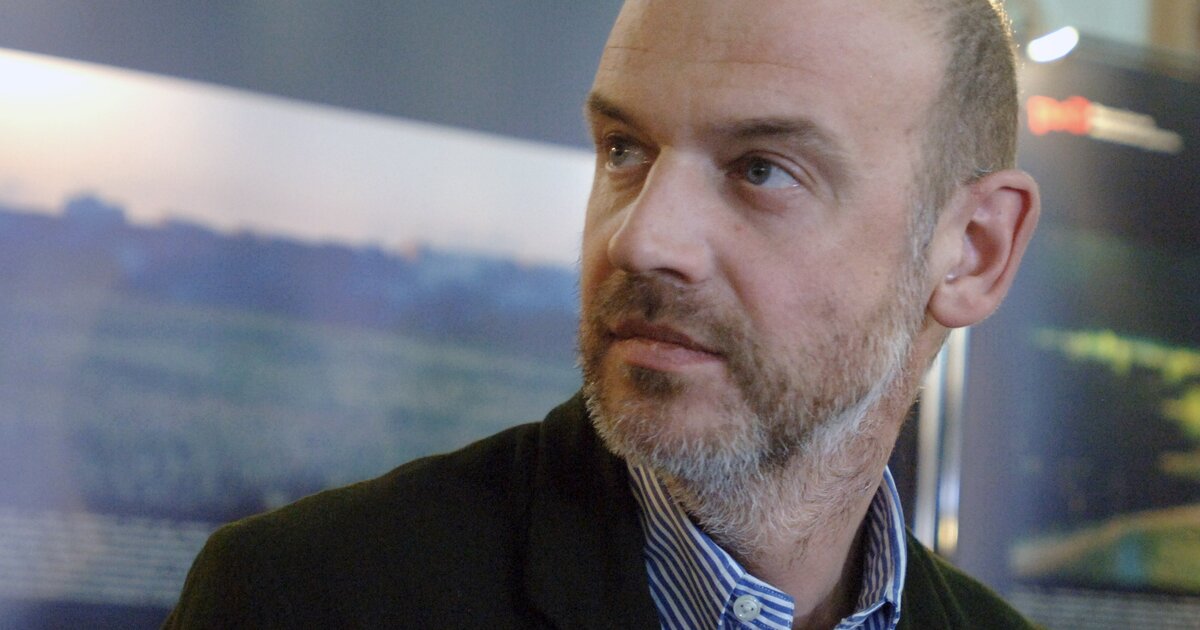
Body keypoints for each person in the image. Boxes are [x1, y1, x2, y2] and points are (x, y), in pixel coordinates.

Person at [164, 0, 1040, 628]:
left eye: (762, 169)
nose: (640, 238)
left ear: (973, 251)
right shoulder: (308, 597)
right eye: (625, 149)